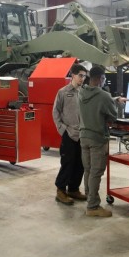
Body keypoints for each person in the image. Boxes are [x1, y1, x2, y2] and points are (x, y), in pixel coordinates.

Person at [77, 65, 124, 217]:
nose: (104, 82)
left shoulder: (81, 92)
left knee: (88, 170)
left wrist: (112, 99)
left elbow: (95, 105)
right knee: (96, 172)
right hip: (97, 137)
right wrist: (118, 104)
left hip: (83, 136)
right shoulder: (103, 95)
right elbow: (113, 116)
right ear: (100, 79)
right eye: (104, 79)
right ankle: (93, 206)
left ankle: (90, 198)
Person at [53, 63, 88, 205]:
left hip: (82, 133)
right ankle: (60, 190)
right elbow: (55, 111)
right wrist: (62, 129)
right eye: (80, 75)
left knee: (80, 163)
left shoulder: (84, 92)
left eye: (84, 76)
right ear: (72, 75)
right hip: (69, 133)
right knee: (68, 162)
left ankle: (73, 189)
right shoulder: (63, 92)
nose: (82, 79)